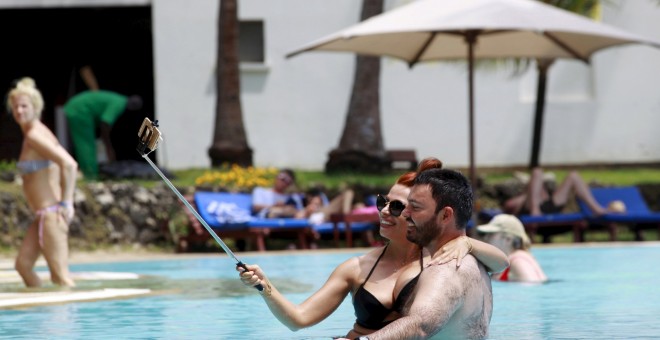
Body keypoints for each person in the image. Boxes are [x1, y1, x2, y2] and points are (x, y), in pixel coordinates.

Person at [237, 158, 509, 338]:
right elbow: (299, 319)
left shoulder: (445, 260)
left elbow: (501, 262)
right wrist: (265, 286)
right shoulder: (358, 267)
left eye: (401, 206)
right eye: (383, 202)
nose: (385, 211)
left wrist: (467, 241)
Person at [359, 168, 494, 339]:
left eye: (414, 207)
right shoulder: (478, 261)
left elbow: (420, 325)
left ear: (445, 215)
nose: (405, 213)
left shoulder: (445, 268)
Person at [7, 78, 78, 287]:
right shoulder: (32, 133)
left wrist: (67, 203)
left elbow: (69, 165)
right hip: (41, 217)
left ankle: (73, 318)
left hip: (52, 215)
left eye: (24, 106)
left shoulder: (36, 135)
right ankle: (44, 314)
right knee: (23, 265)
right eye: (15, 107)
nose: (19, 111)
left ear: (35, 107)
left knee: (61, 276)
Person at [63, 89, 143, 180]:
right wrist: (107, 144)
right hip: (80, 110)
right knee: (86, 144)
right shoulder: (119, 104)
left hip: (77, 106)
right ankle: (91, 176)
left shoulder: (119, 99)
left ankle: (88, 173)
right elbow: (105, 122)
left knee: (85, 143)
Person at [503, 167, 619, 216]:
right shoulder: (523, 195)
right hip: (531, 209)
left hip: (548, 205)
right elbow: (509, 206)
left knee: (573, 175)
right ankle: (535, 211)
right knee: (537, 171)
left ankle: (596, 209)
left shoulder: (539, 188)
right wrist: (526, 194)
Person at [477, 214, 547, 283]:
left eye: (491, 234)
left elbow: (532, 289)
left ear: (508, 239)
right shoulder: (506, 262)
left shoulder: (518, 261)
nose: (485, 238)